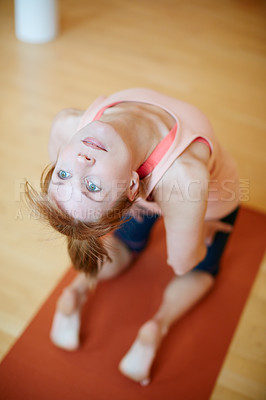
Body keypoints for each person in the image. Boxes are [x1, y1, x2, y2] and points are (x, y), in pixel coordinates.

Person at [25, 88, 240, 386]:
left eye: (63, 176)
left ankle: (76, 289)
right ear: (131, 187)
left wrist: (201, 218)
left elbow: (75, 198)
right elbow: (182, 264)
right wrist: (206, 223)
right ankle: (157, 326)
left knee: (125, 246)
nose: (81, 161)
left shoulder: (68, 125)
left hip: (165, 192)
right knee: (202, 273)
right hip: (193, 195)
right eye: (92, 186)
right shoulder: (184, 177)